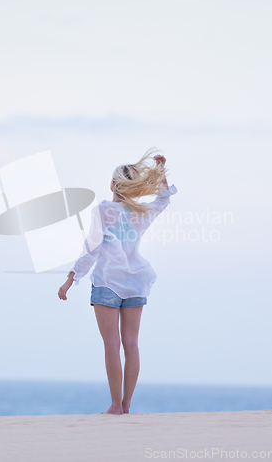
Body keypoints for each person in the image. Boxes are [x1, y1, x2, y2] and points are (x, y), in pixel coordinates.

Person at [58, 148, 177, 415]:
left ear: (112, 185)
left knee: (111, 345)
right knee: (131, 344)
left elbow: (91, 249)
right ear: (135, 187)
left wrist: (71, 279)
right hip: (136, 282)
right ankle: (127, 404)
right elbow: (164, 199)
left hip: (106, 284)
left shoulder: (103, 211)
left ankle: (115, 406)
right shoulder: (142, 211)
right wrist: (160, 173)